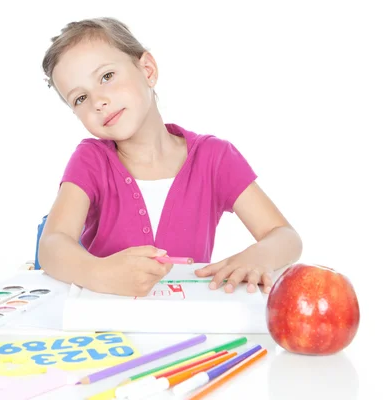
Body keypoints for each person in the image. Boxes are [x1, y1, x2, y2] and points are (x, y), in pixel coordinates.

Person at [38, 17, 302, 297]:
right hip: (107, 325)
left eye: (107, 76)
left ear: (147, 70)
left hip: (188, 325)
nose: (98, 101)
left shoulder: (214, 158)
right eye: (80, 98)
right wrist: (97, 273)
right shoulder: (90, 160)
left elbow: (285, 236)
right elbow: (52, 244)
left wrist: (259, 256)